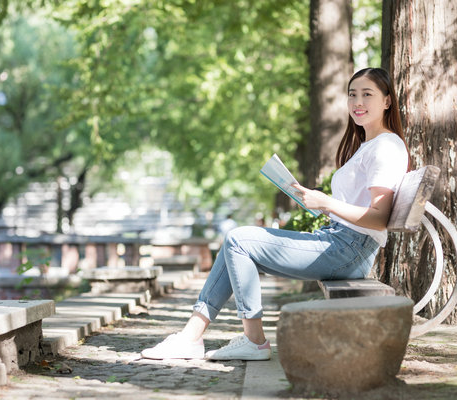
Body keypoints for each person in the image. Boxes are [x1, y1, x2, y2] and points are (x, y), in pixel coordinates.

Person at [141, 67, 410, 361]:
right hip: (339, 243)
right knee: (236, 244)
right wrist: (315, 201)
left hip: (348, 249)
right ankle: (191, 336)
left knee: (238, 240)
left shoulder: (385, 147)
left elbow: (379, 217)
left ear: (387, 101)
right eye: (352, 94)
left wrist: (327, 203)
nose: (358, 102)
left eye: (367, 94)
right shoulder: (368, 145)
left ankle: (251, 341)